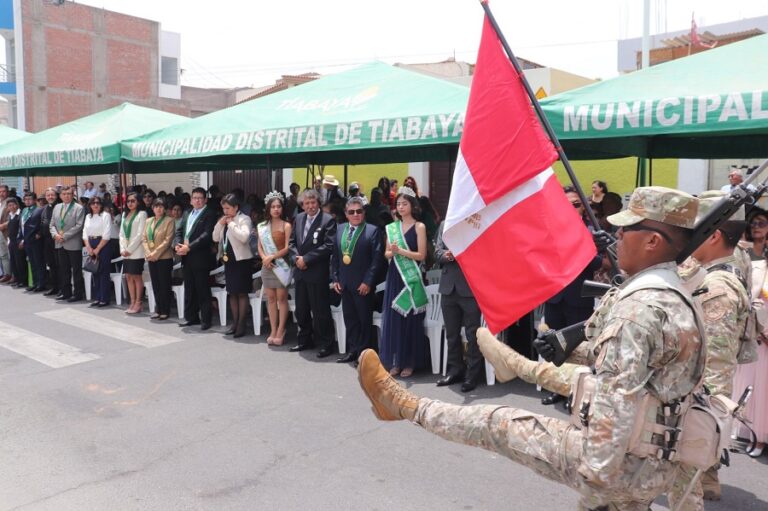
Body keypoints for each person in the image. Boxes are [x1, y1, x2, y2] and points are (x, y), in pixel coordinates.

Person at [358, 186, 706, 511]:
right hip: (653, 462)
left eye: (626, 230)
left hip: (616, 465)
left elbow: (615, 405)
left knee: (499, 423)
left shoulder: (639, 309)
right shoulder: (675, 294)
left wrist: (595, 477)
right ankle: (513, 364)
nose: (616, 235)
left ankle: (405, 406)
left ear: (652, 241)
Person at [669, 192, 750, 506]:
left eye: (694, 234)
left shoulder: (716, 288)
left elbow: (715, 359)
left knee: (698, 432)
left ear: (714, 236)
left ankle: (700, 483)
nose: (687, 242)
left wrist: (709, 407)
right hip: (707, 379)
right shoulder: (732, 258)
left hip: (706, 385)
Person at [540, 187, 603, 406]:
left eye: (576, 204)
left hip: (579, 297)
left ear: (583, 208)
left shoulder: (591, 231)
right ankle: (557, 388)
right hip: (555, 296)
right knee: (553, 343)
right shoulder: (549, 231)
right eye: (566, 204)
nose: (571, 208)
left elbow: (598, 262)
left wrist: (580, 243)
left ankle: (575, 393)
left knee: (576, 346)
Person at [379, 186, 428, 378]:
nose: (400, 207)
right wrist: (391, 251)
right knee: (395, 318)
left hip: (412, 278)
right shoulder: (392, 228)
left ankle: (410, 362)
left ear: (412, 205)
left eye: (404, 203)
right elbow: (386, 254)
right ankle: (396, 361)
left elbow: (421, 255)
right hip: (395, 275)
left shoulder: (419, 227)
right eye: (398, 204)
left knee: (410, 319)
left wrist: (401, 252)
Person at [732, 208, 768, 459]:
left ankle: (762, 436)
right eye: (753, 223)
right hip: (752, 326)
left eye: (762, 223)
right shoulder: (741, 253)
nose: (756, 227)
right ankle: (748, 430)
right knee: (748, 382)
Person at [332, 196, 383, 364]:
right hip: (345, 283)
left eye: (359, 211)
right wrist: (336, 278)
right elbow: (336, 257)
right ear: (346, 214)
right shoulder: (340, 229)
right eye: (351, 212)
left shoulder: (372, 230)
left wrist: (368, 282)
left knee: (364, 321)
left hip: (363, 285)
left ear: (364, 213)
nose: (355, 215)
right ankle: (353, 350)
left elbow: (377, 260)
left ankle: (364, 354)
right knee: (350, 319)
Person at [433, 221, 482, 392]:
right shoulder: (444, 225)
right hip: (448, 287)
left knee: (472, 334)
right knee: (452, 334)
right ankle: (455, 370)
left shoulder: (475, 221)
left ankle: (472, 374)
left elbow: (482, 251)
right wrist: (446, 255)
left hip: (470, 287)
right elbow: (436, 252)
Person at [288, 188, 337, 357]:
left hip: (317, 272)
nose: (310, 206)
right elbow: (292, 242)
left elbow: (329, 245)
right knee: (301, 309)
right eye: (307, 203)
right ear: (302, 205)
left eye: (313, 202)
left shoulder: (327, 220)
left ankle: (326, 343)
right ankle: (304, 340)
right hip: (300, 272)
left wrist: (306, 259)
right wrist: (296, 258)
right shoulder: (299, 218)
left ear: (318, 203)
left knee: (320, 310)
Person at [174, 187, 217, 331]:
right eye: (195, 197)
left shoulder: (209, 213)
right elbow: (179, 231)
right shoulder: (187, 212)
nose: (197, 200)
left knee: (202, 289)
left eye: (200, 198)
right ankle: (191, 317)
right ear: (191, 200)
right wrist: (178, 245)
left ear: (205, 200)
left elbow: (206, 235)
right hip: (186, 257)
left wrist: (189, 247)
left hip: (200, 257)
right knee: (189, 288)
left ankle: (206, 319)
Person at [212, 193, 254, 338]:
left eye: (228, 208)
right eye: (224, 208)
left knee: (241, 292)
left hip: (242, 261)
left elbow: (244, 237)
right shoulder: (225, 220)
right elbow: (215, 237)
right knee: (232, 292)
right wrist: (220, 223)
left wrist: (231, 224)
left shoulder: (244, 219)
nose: (226, 211)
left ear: (236, 207)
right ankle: (234, 322)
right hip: (229, 261)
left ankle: (242, 324)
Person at [257, 191, 293, 345]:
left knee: (282, 299)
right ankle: (273, 329)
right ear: (268, 209)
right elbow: (259, 246)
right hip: (267, 266)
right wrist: (265, 257)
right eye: (273, 207)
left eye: (278, 206)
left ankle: (281, 329)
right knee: (270, 299)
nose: (276, 209)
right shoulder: (262, 226)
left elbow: (287, 248)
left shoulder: (287, 225)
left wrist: (272, 257)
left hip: (281, 266)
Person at [49, 186, 86, 302]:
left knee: (76, 270)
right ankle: (66, 292)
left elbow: (79, 226)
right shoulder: (57, 207)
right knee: (63, 269)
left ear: (73, 194)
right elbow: (52, 225)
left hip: (73, 243)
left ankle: (78, 293)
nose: (66, 196)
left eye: (69, 194)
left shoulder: (78, 208)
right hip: (59, 243)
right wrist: (56, 235)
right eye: (64, 194)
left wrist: (64, 236)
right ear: (60, 196)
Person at [142, 198, 175, 320]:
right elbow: (144, 238)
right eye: (156, 206)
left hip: (164, 258)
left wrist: (155, 253)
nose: (159, 209)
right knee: (155, 284)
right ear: (153, 208)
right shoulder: (148, 221)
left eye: (161, 206)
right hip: (151, 257)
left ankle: (165, 310)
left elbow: (168, 240)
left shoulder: (169, 220)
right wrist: (148, 253)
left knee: (164, 284)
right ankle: (158, 308)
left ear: (165, 209)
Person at [119, 192, 147, 314]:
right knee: (128, 276)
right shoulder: (125, 214)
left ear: (138, 202)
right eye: (128, 201)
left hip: (136, 251)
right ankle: (132, 301)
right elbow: (121, 234)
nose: (130, 203)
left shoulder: (142, 214)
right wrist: (122, 249)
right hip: (125, 251)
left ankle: (138, 303)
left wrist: (129, 249)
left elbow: (140, 234)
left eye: (133, 201)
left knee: (136, 276)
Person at [82, 196, 112, 307]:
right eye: (93, 203)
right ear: (89, 205)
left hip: (103, 244)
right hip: (90, 243)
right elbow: (85, 233)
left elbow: (107, 234)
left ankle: (104, 298)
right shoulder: (88, 216)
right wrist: (89, 248)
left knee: (103, 272)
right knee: (95, 271)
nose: (95, 205)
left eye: (98, 203)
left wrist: (98, 249)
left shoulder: (106, 216)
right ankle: (97, 297)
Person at [17, 192, 44, 292]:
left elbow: (43, 223)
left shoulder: (39, 210)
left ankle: (41, 284)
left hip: (35, 240)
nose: (27, 201)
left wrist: (40, 233)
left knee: (38, 262)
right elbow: (21, 225)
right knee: (32, 262)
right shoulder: (23, 210)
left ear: (34, 200)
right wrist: (20, 239)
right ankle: (35, 283)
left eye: (30, 199)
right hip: (26, 240)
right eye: (26, 199)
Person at [40, 188, 60, 295]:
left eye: (52, 195)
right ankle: (55, 287)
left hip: (57, 240)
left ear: (56, 196)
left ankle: (62, 288)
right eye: (48, 195)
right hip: (47, 241)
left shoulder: (59, 207)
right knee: (51, 265)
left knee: (59, 265)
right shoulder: (45, 208)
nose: (50, 197)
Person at [4, 198, 23, 287]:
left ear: (17, 205)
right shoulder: (10, 215)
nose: (11, 207)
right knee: (13, 261)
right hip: (11, 241)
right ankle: (17, 279)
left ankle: (22, 281)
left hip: (18, 240)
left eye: (13, 205)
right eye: (9, 205)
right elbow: (9, 229)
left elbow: (21, 229)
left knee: (20, 262)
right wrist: (8, 240)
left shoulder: (20, 214)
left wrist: (21, 240)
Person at [0, 184, 11, 282]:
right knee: (2, 254)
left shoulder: (9, 202)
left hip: (6, 232)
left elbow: (13, 216)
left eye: (3, 191)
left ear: (7, 192)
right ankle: (5, 273)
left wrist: (4, 225)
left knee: (9, 254)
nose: (1, 193)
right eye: (0, 192)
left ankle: (11, 275)